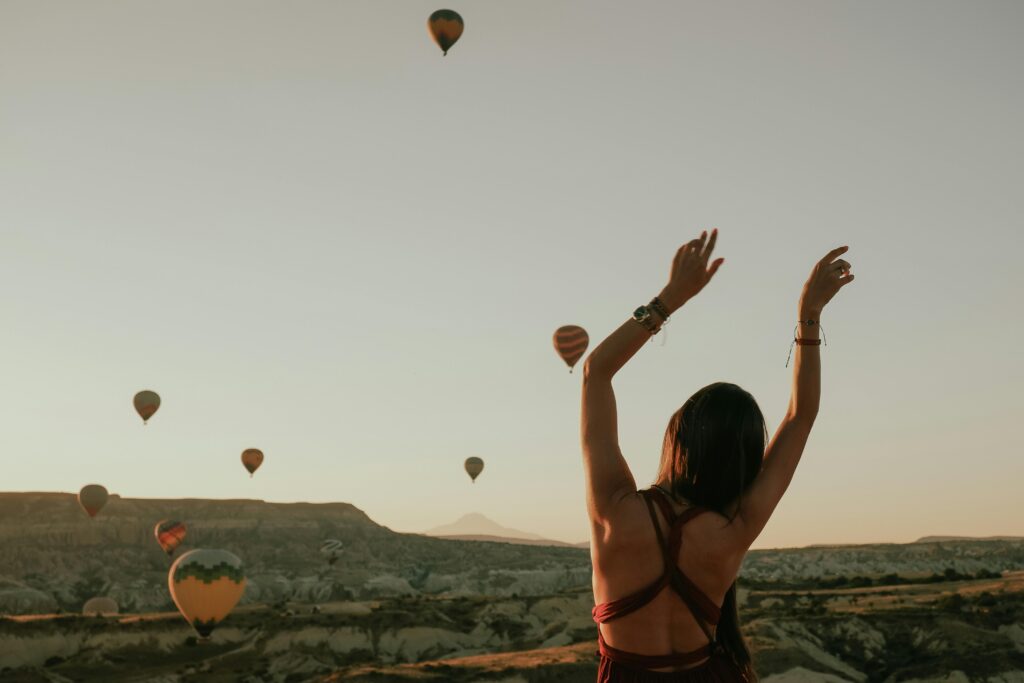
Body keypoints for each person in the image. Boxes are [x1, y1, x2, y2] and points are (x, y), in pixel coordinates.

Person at [581, 229, 854, 681]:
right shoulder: (734, 527)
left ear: (677, 435)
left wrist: (670, 299)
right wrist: (810, 314)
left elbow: (595, 373)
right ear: (746, 457)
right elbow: (801, 416)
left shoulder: (615, 510)